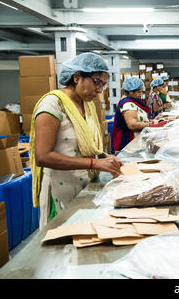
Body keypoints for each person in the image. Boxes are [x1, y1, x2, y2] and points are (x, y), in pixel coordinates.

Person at [28, 52, 123, 229]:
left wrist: (104, 157)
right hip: (60, 188)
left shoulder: (86, 105)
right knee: (63, 243)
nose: (100, 90)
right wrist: (94, 164)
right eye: (97, 82)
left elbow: (84, 145)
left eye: (103, 85)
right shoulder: (52, 105)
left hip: (83, 184)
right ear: (77, 77)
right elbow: (42, 156)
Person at [113, 76, 152, 152]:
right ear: (131, 92)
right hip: (129, 140)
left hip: (135, 139)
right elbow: (132, 125)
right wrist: (150, 125)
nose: (141, 94)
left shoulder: (133, 100)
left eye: (141, 92)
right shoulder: (128, 104)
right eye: (139, 92)